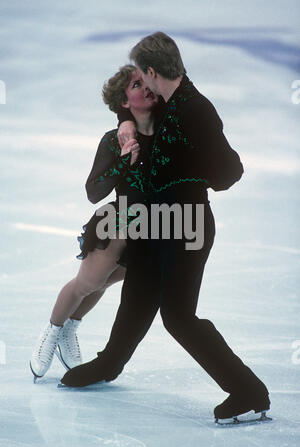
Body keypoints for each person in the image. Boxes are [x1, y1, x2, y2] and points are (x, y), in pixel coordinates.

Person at [61, 32, 270, 423]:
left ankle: (247, 390)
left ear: (154, 72)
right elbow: (131, 112)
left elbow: (230, 172)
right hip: (155, 224)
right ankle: (108, 365)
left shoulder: (194, 110)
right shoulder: (170, 104)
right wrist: (125, 120)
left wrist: (188, 179)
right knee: (137, 298)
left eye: (142, 74)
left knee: (178, 317)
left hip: (187, 225)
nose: (140, 80)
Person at [30, 64, 158, 380]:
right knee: (88, 283)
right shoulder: (112, 140)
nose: (145, 86)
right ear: (124, 102)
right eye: (136, 84)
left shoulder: (164, 130)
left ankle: (71, 327)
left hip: (155, 224)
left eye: (146, 81)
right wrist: (122, 159)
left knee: (108, 280)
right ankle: (53, 331)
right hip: (119, 219)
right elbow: (93, 192)